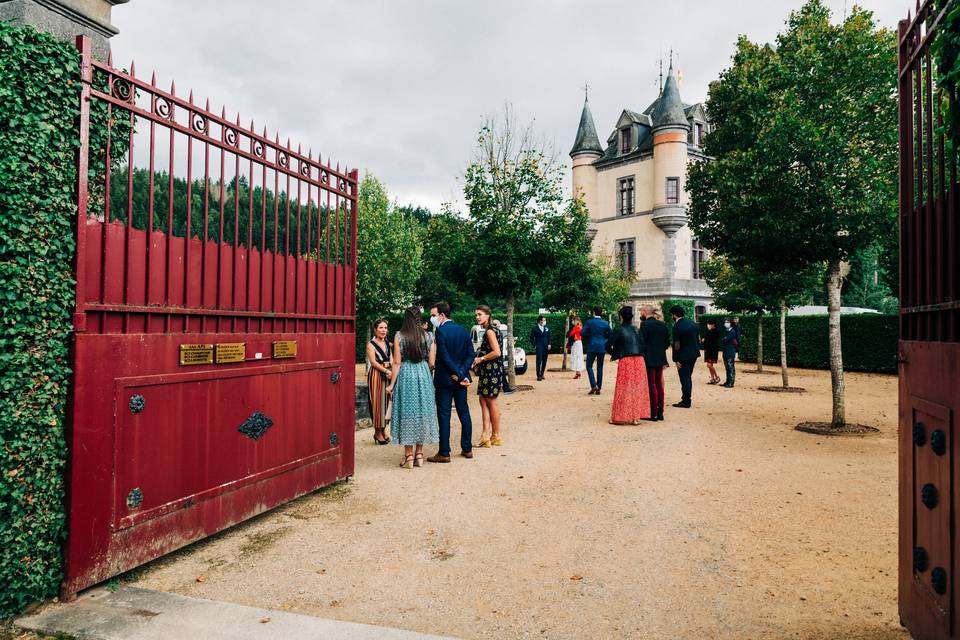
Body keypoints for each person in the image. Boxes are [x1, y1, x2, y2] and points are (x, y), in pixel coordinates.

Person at [385, 307, 438, 469]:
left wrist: (392, 384)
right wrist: (423, 372)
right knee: (423, 411)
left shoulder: (399, 336)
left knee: (407, 412)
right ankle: (420, 454)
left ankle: (408, 455)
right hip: (423, 374)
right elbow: (432, 362)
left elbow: (397, 362)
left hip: (406, 375)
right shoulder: (429, 336)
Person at [428, 302, 475, 462]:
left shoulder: (440, 332)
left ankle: (444, 452)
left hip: (445, 379)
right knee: (464, 412)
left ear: (442, 315)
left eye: (433, 315)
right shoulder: (463, 330)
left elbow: (445, 357)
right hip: (460, 379)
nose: (431, 318)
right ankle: (467, 449)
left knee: (444, 415)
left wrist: (457, 373)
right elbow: (471, 354)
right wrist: (462, 373)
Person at [605, 306, 650, 425]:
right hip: (640, 360)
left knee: (623, 389)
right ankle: (635, 417)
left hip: (626, 360)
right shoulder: (636, 329)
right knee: (637, 388)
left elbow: (607, 346)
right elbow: (643, 345)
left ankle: (618, 417)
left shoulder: (619, 329)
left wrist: (616, 354)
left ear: (621, 316)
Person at [472, 305, 503, 447]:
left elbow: (497, 352)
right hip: (490, 371)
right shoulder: (493, 329)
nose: (477, 317)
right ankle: (485, 435)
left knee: (491, 402)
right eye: (476, 315)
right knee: (483, 401)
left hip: (491, 371)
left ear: (488, 315)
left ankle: (495, 435)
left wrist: (481, 359)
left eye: (480, 314)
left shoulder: (490, 331)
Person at [365, 318, 393, 445]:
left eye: (385, 328)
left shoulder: (387, 343)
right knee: (377, 403)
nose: (383, 330)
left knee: (386, 402)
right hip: (377, 375)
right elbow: (373, 362)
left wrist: (392, 371)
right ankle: (377, 432)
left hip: (388, 374)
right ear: (375, 329)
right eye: (381, 328)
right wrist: (386, 371)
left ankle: (383, 430)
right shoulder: (371, 344)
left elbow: (391, 358)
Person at [640, 305, 669, 421]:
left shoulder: (645, 325)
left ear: (645, 312)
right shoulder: (662, 325)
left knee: (651, 385)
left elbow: (642, 343)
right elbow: (667, 343)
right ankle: (660, 412)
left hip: (649, 358)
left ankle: (653, 413)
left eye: (642, 311)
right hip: (660, 357)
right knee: (659, 384)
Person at [670, 305, 700, 408]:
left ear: (674, 315)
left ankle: (686, 400)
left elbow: (676, 344)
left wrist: (676, 359)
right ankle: (686, 398)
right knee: (688, 377)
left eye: (672, 315)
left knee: (685, 378)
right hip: (694, 353)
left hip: (683, 356)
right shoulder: (692, 323)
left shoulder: (677, 326)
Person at [581, 307, 611, 395]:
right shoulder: (605, 323)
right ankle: (599, 387)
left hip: (592, 346)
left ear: (593, 312)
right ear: (601, 313)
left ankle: (593, 385)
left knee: (589, 366)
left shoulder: (589, 322)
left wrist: (590, 335)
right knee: (600, 367)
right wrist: (603, 337)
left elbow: (582, 333)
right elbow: (610, 334)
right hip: (601, 346)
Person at [492, 319, 514, 394]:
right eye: (497, 324)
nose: (498, 326)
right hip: (496, 356)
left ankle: (505, 388)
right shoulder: (495, 333)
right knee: (501, 373)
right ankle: (505, 388)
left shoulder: (497, 332)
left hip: (498, 355)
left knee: (501, 372)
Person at [529, 316, 551, 381]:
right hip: (539, 346)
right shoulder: (534, 328)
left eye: (545, 320)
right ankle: (538, 375)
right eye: (543, 320)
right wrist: (534, 345)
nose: (544, 322)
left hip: (546, 346)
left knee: (544, 360)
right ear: (540, 321)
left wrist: (549, 344)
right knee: (538, 361)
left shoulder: (546, 328)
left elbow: (549, 336)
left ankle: (542, 374)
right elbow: (531, 338)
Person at [701, 319, 721, 385]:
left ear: (713, 324)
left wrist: (705, 339)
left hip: (713, 350)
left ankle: (717, 377)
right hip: (708, 350)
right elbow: (705, 339)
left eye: (709, 324)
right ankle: (712, 378)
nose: (708, 325)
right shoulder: (709, 331)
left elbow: (709, 338)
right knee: (710, 365)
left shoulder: (716, 331)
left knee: (709, 365)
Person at [720, 317, 738, 388]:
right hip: (726, 351)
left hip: (730, 351)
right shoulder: (726, 331)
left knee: (730, 367)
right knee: (727, 367)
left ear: (731, 323)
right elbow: (723, 339)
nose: (726, 323)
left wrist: (724, 339)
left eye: (727, 322)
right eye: (725, 322)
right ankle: (728, 381)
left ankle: (731, 383)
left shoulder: (732, 331)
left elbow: (725, 340)